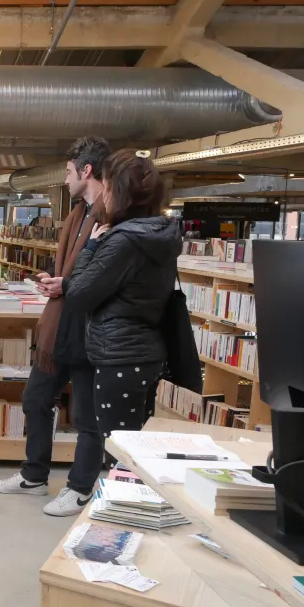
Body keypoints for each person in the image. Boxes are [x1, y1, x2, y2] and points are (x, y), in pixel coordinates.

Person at [0, 136, 109, 517]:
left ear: (87, 171)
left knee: (88, 416)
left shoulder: (111, 215)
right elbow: (76, 269)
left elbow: (105, 274)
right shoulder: (78, 215)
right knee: (35, 398)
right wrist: (57, 282)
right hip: (60, 323)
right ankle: (34, 476)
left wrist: (66, 285)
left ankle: (80, 488)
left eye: (70, 172)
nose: (66, 179)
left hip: (89, 328)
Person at [63, 149, 181, 442]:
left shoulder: (124, 241)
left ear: (118, 191)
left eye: (107, 187)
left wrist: (90, 248)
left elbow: (78, 294)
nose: (104, 195)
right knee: (136, 446)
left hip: (120, 356)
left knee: (118, 448)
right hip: (147, 352)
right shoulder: (160, 234)